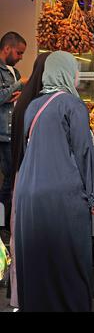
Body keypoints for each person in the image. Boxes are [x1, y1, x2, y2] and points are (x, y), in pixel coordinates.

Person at [14, 51, 94, 312]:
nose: (77, 75)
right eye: (74, 69)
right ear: (65, 71)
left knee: (39, 260)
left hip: (29, 194)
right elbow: (84, 152)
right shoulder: (73, 106)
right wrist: (93, 195)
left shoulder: (32, 106)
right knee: (69, 261)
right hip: (62, 195)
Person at [9, 52, 51, 309]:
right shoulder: (40, 103)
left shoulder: (24, 99)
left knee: (21, 241)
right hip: (33, 179)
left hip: (20, 177)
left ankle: (20, 297)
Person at [0, 32, 27, 229]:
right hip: (2, 134)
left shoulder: (14, 72)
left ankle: (7, 221)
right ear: (7, 48)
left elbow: (12, 98)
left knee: (12, 179)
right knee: (9, 180)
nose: (20, 58)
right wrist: (19, 85)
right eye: (18, 53)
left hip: (12, 133)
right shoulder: (15, 76)